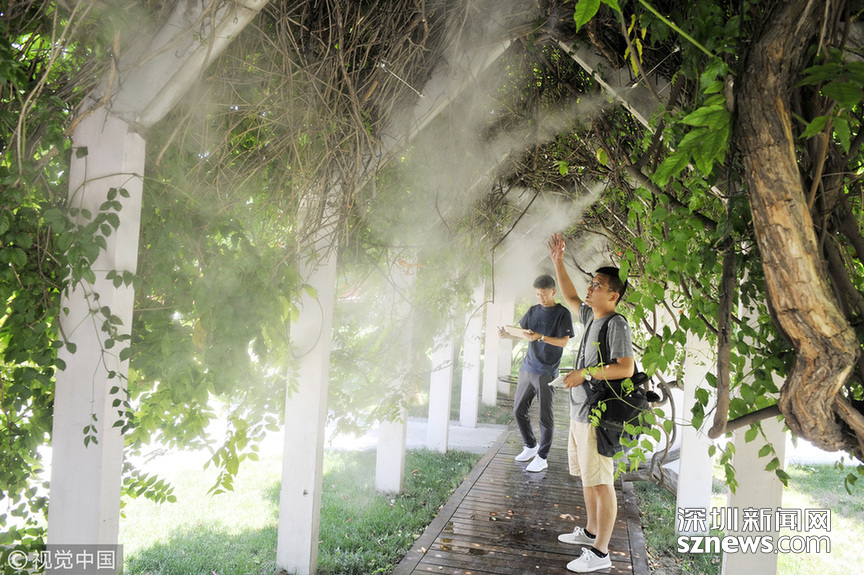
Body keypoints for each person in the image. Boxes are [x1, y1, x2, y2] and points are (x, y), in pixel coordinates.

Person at [548, 233, 635, 573]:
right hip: (580, 412)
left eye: (598, 285)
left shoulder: (616, 323)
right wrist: (558, 261)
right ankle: (590, 531)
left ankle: (601, 553)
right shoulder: (591, 318)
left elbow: (625, 367)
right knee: (588, 477)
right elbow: (570, 296)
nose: (590, 288)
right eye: (592, 283)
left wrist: (584, 373)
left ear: (613, 295)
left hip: (597, 416)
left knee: (601, 481)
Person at [499, 274, 573, 473]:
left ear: (553, 292)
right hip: (527, 368)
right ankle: (531, 446)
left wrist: (541, 337)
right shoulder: (533, 311)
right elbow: (524, 334)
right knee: (518, 410)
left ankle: (542, 457)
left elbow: (564, 342)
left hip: (546, 372)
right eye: (537, 294)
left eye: (544, 294)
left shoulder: (562, 314)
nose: (540, 298)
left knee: (545, 417)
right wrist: (508, 335)